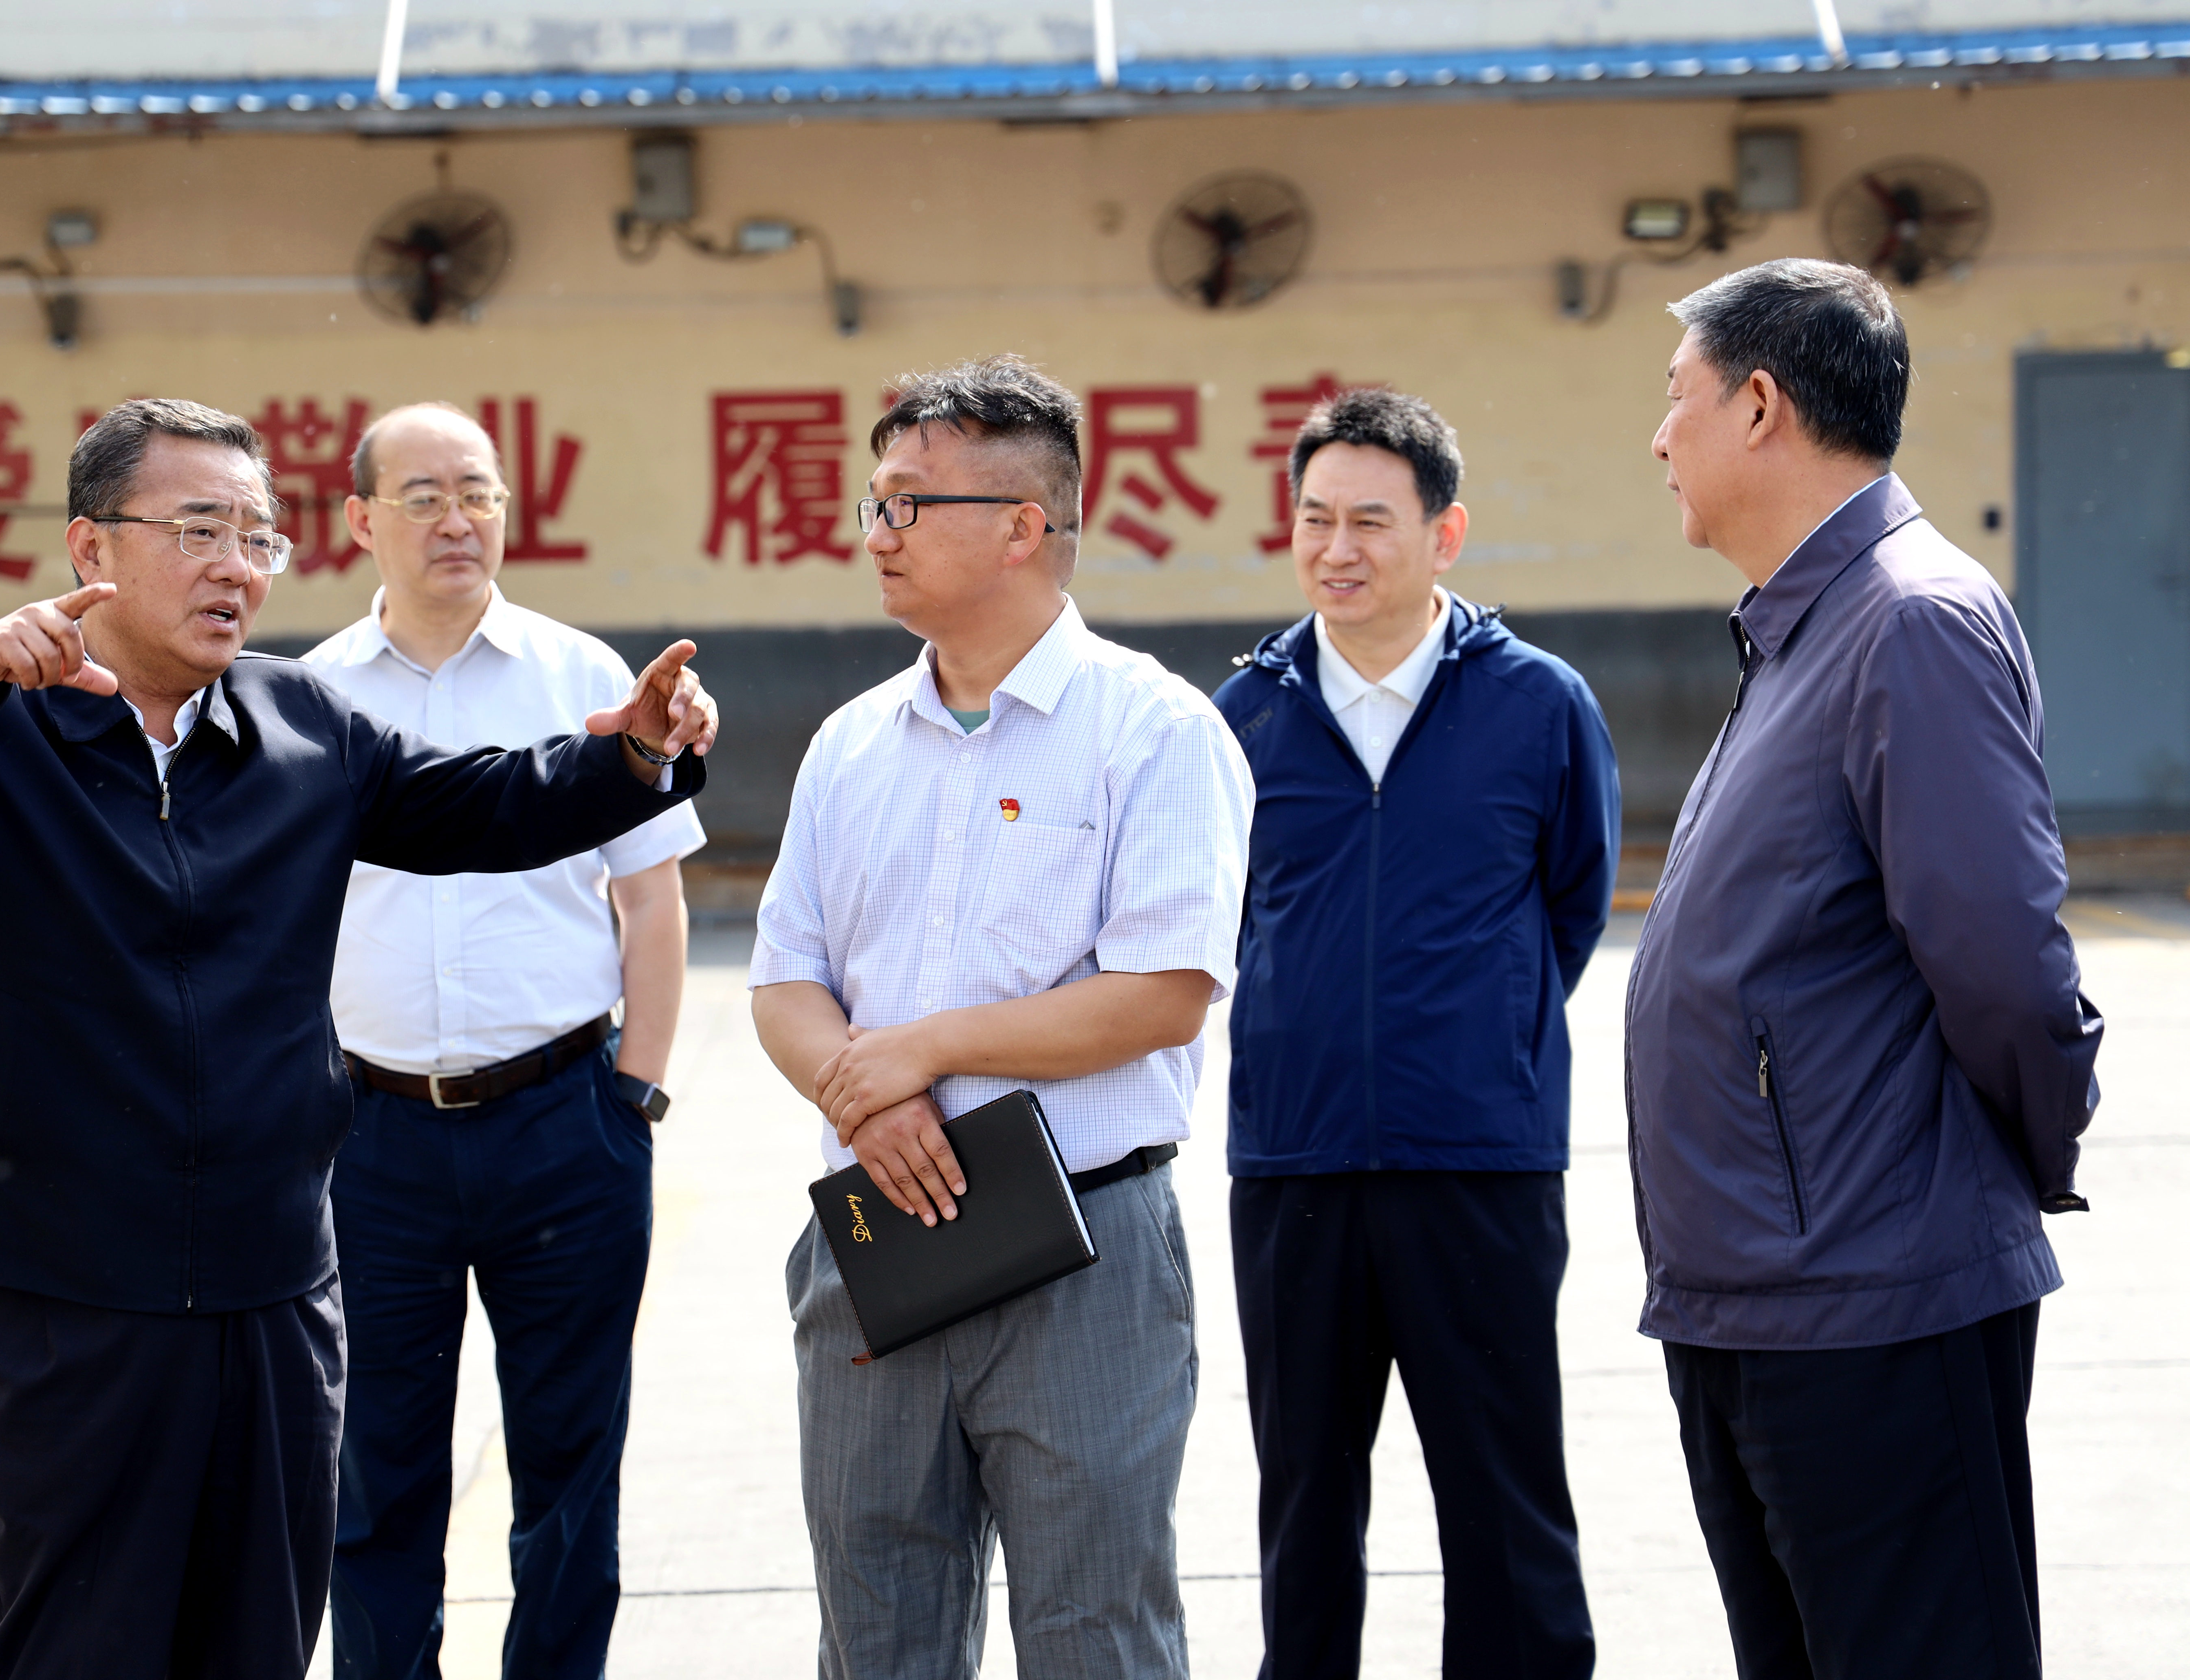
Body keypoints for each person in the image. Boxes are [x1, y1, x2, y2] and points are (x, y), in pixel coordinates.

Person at [0, 398, 715, 1680]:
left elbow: (485, 807)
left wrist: (632, 756)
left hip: (275, 1291)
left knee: (259, 1642)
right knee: (81, 1647)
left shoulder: (303, 725)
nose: (236, 566)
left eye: (257, 537)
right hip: (70, 1297)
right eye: (200, 531)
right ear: (91, 546)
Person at [1631, 258, 2102, 1680]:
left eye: (1677, 398)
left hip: (1873, 1298)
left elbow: (2006, 963)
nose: (1658, 438)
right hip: (1762, 1296)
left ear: (1761, 405)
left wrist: (2017, 1154)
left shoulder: (1908, 618)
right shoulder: (1804, 623)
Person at [748, 354, 1252, 1680]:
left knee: (1096, 1632)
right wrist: (870, 1097)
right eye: (875, 501)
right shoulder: (851, 744)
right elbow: (785, 978)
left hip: (1079, 1243)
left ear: (1025, 525)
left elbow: (1164, 992)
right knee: (878, 1629)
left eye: (912, 503)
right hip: (879, 1230)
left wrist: (929, 1046)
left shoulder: (1155, 729)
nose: (879, 530)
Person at [1213, 388, 1616, 1679]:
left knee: (1505, 1502)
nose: (1337, 548)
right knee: (1305, 1505)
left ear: (1446, 534)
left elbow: (1572, 907)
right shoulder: (1242, 717)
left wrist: (1478, 1038)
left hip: (1480, 1164)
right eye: (1314, 519)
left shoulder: (1541, 705)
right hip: (1298, 1165)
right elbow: (1223, 923)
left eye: (1370, 522)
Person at [301, 403, 706, 1680]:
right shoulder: (312, 699)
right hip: (370, 1141)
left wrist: (634, 1095)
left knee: (571, 1470)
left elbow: (652, 900)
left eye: (478, 492)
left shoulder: (585, 678)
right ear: (360, 519)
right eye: (422, 496)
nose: (457, 519)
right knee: (374, 1474)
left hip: (564, 1125)